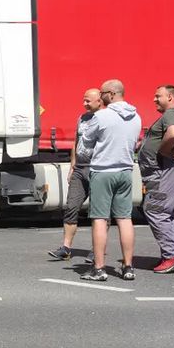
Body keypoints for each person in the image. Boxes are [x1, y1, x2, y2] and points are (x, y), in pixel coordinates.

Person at [77, 79, 141, 281]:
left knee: (99, 219)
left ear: (112, 94)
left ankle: (99, 268)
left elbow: (85, 146)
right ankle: (128, 266)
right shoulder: (136, 116)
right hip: (125, 170)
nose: (101, 95)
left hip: (103, 171)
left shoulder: (101, 116)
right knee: (124, 219)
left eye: (103, 92)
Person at [139, 85, 174, 273]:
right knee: (166, 212)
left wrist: (163, 150)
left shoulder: (172, 114)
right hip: (164, 172)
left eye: (157, 96)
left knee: (155, 210)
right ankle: (171, 254)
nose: (154, 99)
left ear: (170, 97)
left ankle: (172, 256)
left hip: (161, 173)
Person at [49, 88, 103, 262]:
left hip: (97, 169)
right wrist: (73, 164)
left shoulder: (105, 119)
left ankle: (97, 251)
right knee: (71, 206)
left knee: (98, 213)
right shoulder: (82, 118)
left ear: (99, 100)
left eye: (88, 100)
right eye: (84, 100)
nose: (84, 104)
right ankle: (66, 248)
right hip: (80, 168)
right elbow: (76, 141)